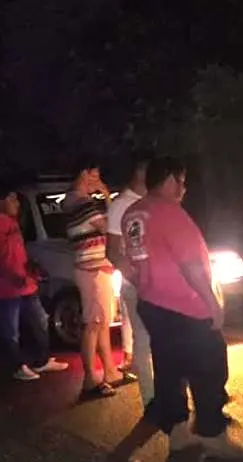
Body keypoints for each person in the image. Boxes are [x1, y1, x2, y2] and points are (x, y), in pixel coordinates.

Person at [120, 156, 243, 458]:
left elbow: (131, 261)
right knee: (209, 370)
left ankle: (177, 431)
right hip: (187, 309)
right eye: (181, 180)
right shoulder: (170, 213)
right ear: (168, 180)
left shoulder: (133, 214)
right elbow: (191, 266)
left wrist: (147, 286)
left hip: (153, 304)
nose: (184, 187)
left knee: (169, 370)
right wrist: (213, 303)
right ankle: (212, 434)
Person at [0, 187, 69, 380]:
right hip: (6, 289)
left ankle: (42, 361)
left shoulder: (13, 223)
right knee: (10, 331)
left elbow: (18, 254)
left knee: (41, 321)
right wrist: (10, 276)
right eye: (12, 199)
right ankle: (18, 366)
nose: (17, 203)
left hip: (26, 284)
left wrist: (32, 268)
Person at [64, 159, 130, 399]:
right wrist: (106, 194)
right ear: (85, 172)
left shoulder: (73, 200)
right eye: (96, 175)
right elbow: (109, 227)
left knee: (101, 322)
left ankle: (109, 372)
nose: (98, 181)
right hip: (92, 270)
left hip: (94, 268)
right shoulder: (81, 202)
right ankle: (90, 379)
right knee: (93, 324)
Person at [107, 153, 151, 400]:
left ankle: (171, 397)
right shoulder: (121, 205)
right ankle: (151, 399)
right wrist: (135, 278)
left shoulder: (153, 202)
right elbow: (112, 250)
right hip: (136, 286)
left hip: (157, 285)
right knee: (142, 341)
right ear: (141, 173)